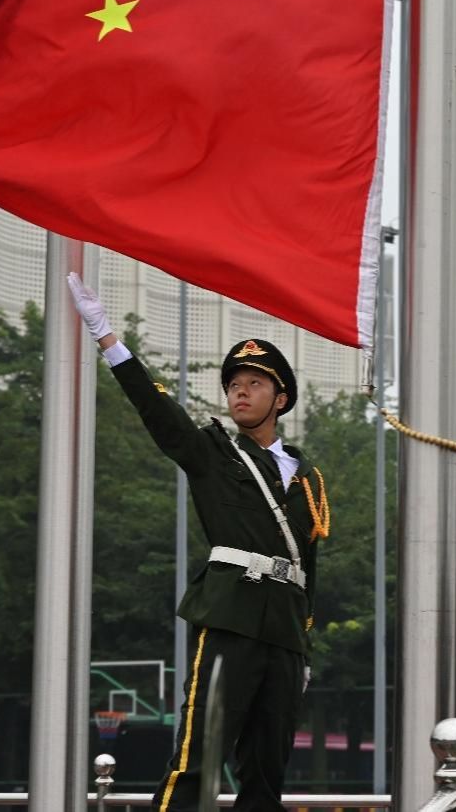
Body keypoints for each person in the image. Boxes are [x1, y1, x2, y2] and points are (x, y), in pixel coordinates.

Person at [67, 273, 330, 812]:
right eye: (234, 384)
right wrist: (107, 338)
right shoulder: (213, 451)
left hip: (285, 631)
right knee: (199, 756)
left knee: (267, 772)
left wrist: (304, 648)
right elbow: (157, 410)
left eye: (254, 383)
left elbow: (309, 565)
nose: (240, 391)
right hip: (231, 615)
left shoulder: (308, 475)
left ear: (280, 398)